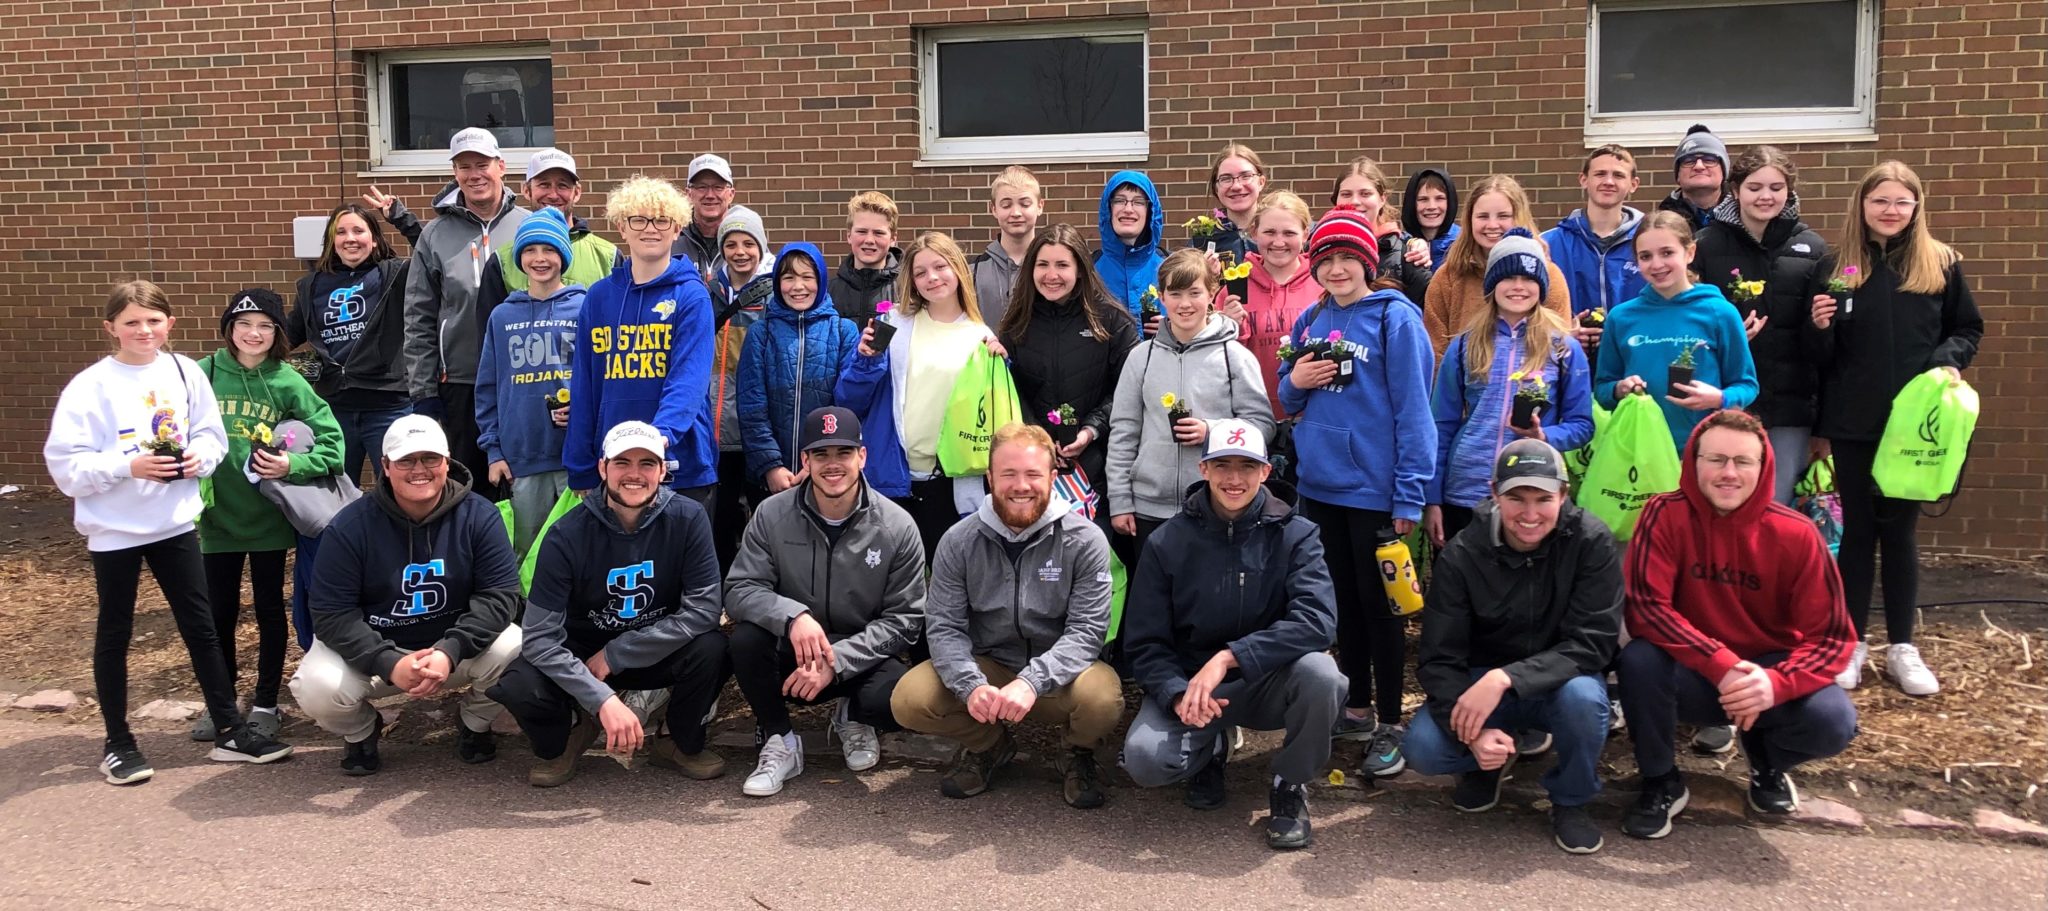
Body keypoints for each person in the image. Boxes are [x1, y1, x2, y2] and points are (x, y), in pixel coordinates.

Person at [46, 281, 295, 785]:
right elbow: (65, 466)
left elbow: (210, 434)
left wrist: (199, 459)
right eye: (132, 322)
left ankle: (229, 729)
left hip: (174, 522)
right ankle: (118, 742)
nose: (143, 331)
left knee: (201, 626)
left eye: (153, 321)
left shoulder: (183, 373)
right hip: (115, 529)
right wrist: (127, 466)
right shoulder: (89, 386)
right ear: (111, 328)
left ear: (170, 325)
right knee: (116, 632)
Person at [1618, 410, 1858, 838]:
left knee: (1832, 721)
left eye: (1743, 462)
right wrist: (1722, 664)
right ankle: (1660, 779)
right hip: (1694, 671)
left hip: (1767, 674)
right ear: (1693, 462)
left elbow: (1833, 637)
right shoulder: (1663, 513)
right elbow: (1646, 608)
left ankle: (1767, 758)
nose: (1729, 473)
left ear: (1763, 468)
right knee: (1639, 660)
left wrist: (1775, 684)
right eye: (1716, 459)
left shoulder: (1798, 533)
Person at [1119, 420, 1344, 850]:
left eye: (1247, 466)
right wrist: (1175, 693)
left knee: (1323, 675)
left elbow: (1317, 620)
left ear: (1265, 472)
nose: (1234, 479)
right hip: (1193, 687)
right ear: (1203, 469)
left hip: (1267, 681)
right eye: (1223, 465)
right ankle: (1212, 748)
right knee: (1145, 761)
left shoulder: (1298, 535)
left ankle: (1289, 784)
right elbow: (1144, 642)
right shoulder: (1167, 542)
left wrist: (1229, 656)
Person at [1807, 160, 1983, 696]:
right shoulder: (1839, 266)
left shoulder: (1941, 264)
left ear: (1915, 208)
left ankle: (1903, 646)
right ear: (1862, 205)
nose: (1890, 210)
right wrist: (1820, 328)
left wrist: (1949, 359)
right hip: (1855, 421)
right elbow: (1821, 357)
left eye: (1901, 202)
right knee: (1858, 533)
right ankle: (1853, 643)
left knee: (1901, 534)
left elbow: (1967, 326)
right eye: (1880, 200)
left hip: (1915, 427)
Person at [1276, 207, 1435, 776]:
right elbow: (1288, 402)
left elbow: (1416, 412)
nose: (1337, 268)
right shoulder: (1311, 320)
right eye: (1327, 259)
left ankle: (1392, 721)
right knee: (1341, 609)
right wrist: (1295, 382)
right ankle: (1360, 708)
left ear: (1368, 261)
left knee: (1384, 611)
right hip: (1319, 492)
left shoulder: (1396, 319)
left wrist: (1410, 494)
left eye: (1348, 258)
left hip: (1375, 493)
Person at [1404, 439, 1621, 855]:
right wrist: (1474, 734)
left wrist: (1506, 678)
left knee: (1584, 700)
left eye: (1543, 499)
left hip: (1557, 681)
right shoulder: (1463, 554)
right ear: (1494, 493)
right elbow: (1438, 659)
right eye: (1516, 498)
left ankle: (1571, 799)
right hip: (1479, 683)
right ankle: (1489, 761)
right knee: (1423, 749)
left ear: (1563, 494)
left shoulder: (1591, 542)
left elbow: (1593, 644)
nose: (1530, 514)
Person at [890, 423, 1123, 808]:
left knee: (1102, 698)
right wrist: (970, 685)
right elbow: (945, 626)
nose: (1021, 486)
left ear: (1052, 476)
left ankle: (1075, 752)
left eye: (1033, 474)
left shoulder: (1085, 540)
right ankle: (989, 746)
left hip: (1060, 676)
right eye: (1008, 474)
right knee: (910, 699)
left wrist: (1032, 681)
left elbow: (1087, 632)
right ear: (989, 478)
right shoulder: (958, 541)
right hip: (990, 669)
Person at [488, 421, 731, 787]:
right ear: (602, 468)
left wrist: (619, 653)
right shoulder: (565, 534)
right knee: (520, 683)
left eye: (647, 464)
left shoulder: (687, 517)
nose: (634, 474)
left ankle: (677, 742)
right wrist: (600, 698)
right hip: (582, 651)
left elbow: (704, 609)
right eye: (622, 463)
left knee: (715, 647)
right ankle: (570, 732)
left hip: (654, 645)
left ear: (663, 470)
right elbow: (539, 637)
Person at [289, 415, 522, 775]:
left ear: (447, 461)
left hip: (453, 651)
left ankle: (475, 723)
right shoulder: (350, 527)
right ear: (384, 466)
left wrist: (450, 650)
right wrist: (387, 662)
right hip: (378, 654)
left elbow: (501, 595)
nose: (420, 470)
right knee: (316, 685)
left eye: (430, 458)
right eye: (406, 460)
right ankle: (363, 732)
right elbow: (331, 612)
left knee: (517, 646)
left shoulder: (480, 516)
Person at [726, 407, 927, 796]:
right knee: (746, 640)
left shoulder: (898, 526)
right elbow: (739, 589)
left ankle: (852, 716)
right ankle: (781, 739)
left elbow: (905, 620)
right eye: (821, 455)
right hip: (796, 649)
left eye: (843, 453)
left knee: (897, 701)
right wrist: (792, 616)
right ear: (805, 460)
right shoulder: (771, 514)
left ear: (862, 457)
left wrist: (837, 662)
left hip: (859, 652)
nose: (832, 465)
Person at [194, 289, 345, 742]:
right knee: (216, 615)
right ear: (228, 330)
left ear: (278, 333)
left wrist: (292, 465)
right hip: (216, 519)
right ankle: (218, 704)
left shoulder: (287, 381)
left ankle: (265, 702)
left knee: (267, 612)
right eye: (244, 324)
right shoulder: (202, 375)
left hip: (268, 521)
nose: (253, 333)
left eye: (264, 325)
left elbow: (333, 445)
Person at [836, 231, 1005, 560]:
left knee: (949, 577)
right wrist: (866, 360)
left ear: (957, 269)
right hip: (895, 477)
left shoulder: (981, 336)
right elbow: (849, 400)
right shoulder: (892, 325)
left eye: (940, 267)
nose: (932, 278)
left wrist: (1002, 362)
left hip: (952, 481)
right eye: (920, 272)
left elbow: (994, 413)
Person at [1427, 229, 1595, 547]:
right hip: (1466, 491)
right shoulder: (1463, 345)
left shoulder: (1563, 349)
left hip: (1532, 493)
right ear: (1492, 285)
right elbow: (1441, 425)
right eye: (1508, 278)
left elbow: (1583, 425)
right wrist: (1432, 497)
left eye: (1528, 279)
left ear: (1541, 286)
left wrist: (1545, 437)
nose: (1518, 287)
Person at [563, 176, 720, 511]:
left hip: (680, 462)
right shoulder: (599, 297)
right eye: (639, 219)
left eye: (662, 220)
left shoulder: (692, 296)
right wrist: (579, 464)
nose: (651, 228)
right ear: (622, 227)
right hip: (615, 466)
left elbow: (689, 381)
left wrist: (657, 440)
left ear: (677, 228)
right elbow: (586, 385)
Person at [1108, 248, 1275, 559]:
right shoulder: (1140, 357)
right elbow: (1123, 432)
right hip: (1148, 509)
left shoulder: (1234, 356)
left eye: (1195, 292)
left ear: (1212, 293)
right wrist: (1120, 500)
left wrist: (1211, 431)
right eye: (1175, 293)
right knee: (1154, 600)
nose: (1185, 304)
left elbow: (1262, 426)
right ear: (1161, 296)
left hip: (1215, 506)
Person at [1694, 146, 1829, 506]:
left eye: (1775, 187)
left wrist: (1820, 326)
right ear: (1735, 190)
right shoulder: (1704, 246)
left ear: (1789, 191)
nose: (1765, 196)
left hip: (1790, 406)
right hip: (1724, 402)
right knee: (1720, 503)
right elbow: (1689, 323)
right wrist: (1728, 337)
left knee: (1776, 506)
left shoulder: (1813, 248)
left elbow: (1823, 346)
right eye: (1754, 188)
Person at [402, 127, 531, 495]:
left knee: (520, 487)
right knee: (465, 488)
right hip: (459, 382)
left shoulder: (527, 225)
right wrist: (423, 390)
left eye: (482, 164)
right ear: (455, 173)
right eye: (464, 166)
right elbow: (418, 317)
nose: (475, 174)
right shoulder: (435, 234)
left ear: (501, 166)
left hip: (521, 379)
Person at [1001, 223, 1142, 515]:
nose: (1051, 275)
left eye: (1062, 265)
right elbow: (1008, 389)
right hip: (1033, 469)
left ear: (1079, 269)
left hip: (1097, 468)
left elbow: (1129, 390)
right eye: (1043, 265)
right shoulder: (1016, 323)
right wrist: (1038, 438)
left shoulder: (1112, 321)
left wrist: (1091, 430)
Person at [1593, 210, 1759, 453]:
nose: (1657, 264)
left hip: (1704, 450)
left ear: (1689, 252)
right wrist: (1620, 388)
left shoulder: (1720, 312)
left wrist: (1719, 399)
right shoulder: (1621, 317)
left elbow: (1747, 385)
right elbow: (1602, 389)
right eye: (1645, 256)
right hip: (1639, 451)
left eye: (1667, 253)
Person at [476, 208, 585, 557]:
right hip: (522, 458)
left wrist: (583, 413)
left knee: (579, 549)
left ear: (563, 256)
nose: (540, 259)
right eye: (530, 250)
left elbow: (601, 379)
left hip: (575, 457)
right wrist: (493, 451)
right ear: (520, 257)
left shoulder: (585, 308)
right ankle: (525, 614)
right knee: (525, 553)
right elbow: (488, 388)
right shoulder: (503, 316)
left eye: (550, 249)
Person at [290, 195, 420, 484]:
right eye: (341, 232)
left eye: (359, 231)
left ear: (374, 239)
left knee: (397, 490)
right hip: (334, 408)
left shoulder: (395, 274)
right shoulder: (311, 286)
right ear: (331, 241)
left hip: (388, 405)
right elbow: (288, 335)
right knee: (333, 493)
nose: (350, 239)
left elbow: (431, 253)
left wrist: (400, 217)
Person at [738, 242, 862, 498]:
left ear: (822, 281)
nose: (798, 286)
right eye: (788, 277)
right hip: (773, 479)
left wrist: (819, 465)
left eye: (808, 277)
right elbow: (751, 408)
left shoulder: (843, 331)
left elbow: (847, 407)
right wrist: (770, 466)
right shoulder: (760, 334)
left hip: (828, 476)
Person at [1422, 175, 1573, 355]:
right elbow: (1435, 352)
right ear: (1470, 220)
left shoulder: (1549, 276)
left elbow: (1560, 349)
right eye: (1482, 216)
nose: (1492, 225)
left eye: (1503, 216)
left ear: (1519, 218)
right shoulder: (1448, 277)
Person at [476, 148, 618, 318]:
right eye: (544, 184)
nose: (553, 194)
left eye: (562, 185)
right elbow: (490, 333)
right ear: (527, 190)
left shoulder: (608, 256)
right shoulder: (502, 261)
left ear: (577, 192)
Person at [709, 205, 775, 571]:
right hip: (716, 430)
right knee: (721, 519)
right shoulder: (709, 290)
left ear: (761, 247)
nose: (740, 252)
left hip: (754, 425)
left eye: (748, 243)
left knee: (762, 516)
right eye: (731, 243)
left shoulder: (773, 292)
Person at [1232, 191, 1322, 418]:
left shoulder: (1323, 285)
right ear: (1254, 233)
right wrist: (1227, 328)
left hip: (1312, 416)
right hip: (1251, 418)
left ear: (1305, 234)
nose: (1279, 242)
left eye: (1289, 233)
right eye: (1269, 232)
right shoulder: (1235, 287)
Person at [1541, 144, 1647, 323]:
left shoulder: (1648, 242)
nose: (1609, 182)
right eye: (1600, 174)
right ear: (1583, 180)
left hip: (1633, 348)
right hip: (1568, 349)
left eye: (1619, 175)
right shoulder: (1548, 244)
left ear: (1633, 184)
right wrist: (1564, 333)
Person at [1330, 157, 1430, 305]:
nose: (1355, 202)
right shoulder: (1322, 250)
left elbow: (1429, 312)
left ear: (1382, 198)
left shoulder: (1408, 254)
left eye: (1365, 194)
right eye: (1346, 194)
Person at [971, 166, 1044, 331]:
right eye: (1006, 205)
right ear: (994, 209)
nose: (1016, 212)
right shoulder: (973, 272)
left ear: (1040, 206)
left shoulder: (1053, 268)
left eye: (1025, 204)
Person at [1093, 171, 1167, 333]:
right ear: (1108, 208)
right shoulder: (1090, 271)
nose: (1128, 209)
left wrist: (1174, 329)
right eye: (1120, 200)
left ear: (1150, 211)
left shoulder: (1169, 269)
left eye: (1138, 202)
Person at [830, 191, 903, 328]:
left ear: (893, 239)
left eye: (879, 233)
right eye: (862, 232)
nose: (869, 240)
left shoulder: (906, 290)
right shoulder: (829, 293)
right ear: (849, 235)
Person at [1186, 144, 1267, 262]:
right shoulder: (1200, 243)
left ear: (1261, 182)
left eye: (1245, 176)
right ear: (1216, 188)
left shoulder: (1283, 232)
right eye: (1226, 178)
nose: (1236, 186)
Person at [675, 154, 737, 280]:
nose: (710, 195)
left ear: (731, 194)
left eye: (718, 187)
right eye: (702, 187)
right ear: (689, 194)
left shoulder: (749, 238)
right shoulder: (671, 237)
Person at [1660, 124, 1729, 230]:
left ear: (1723, 171)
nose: (1699, 166)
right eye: (1689, 161)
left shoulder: (1744, 218)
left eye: (1709, 160)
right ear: (1678, 175)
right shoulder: (1661, 223)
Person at [1400, 167, 1460, 273]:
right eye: (1423, 199)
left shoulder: (1465, 243)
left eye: (1439, 198)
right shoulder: (1400, 245)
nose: (1431, 206)